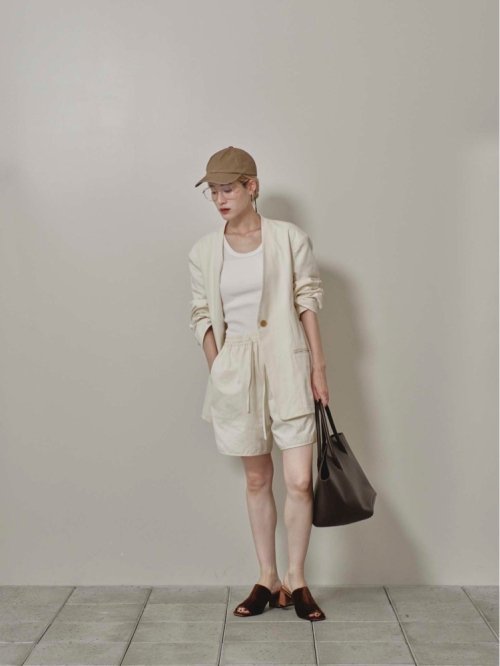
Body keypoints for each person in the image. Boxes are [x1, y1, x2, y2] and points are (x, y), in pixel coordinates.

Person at [188, 146, 329, 621]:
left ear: (252, 187)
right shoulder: (204, 251)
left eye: (228, 189)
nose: (220, 199)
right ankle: (267, 578)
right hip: (237, 368)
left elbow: (307, 299)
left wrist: (318, 366)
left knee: (300, 480)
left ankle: (297, 578)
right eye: (213, 191)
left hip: (288, 362)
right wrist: (219, 368)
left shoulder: (289, 238)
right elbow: (201, 315)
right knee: (257, 478)